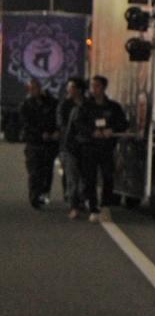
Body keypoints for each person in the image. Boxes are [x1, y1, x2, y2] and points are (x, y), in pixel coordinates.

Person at [81, 75, 128, 222]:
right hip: (89, 147)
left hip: (107, 148)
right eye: (92, 86)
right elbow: (79, 124)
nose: (94, 89)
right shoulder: (85, 106)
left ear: (103, 88)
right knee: (90, 178)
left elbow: (123, 124)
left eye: (97, 86)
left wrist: (111, 130)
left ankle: (106, 205)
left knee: (108, 176)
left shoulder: (113, 107)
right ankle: (93, 207)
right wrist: (91, 131)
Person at [20, 79, 59, 209]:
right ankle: (34, 197)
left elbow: (56, 118)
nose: (33, 90)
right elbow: (27, 125)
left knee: (47, 171)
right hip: (34, 143)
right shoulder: (26, 105)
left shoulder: (50, 102)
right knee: (34, 171)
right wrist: (40, 134)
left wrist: (54, 133)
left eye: (35, 88)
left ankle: (44, 192)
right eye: (31, 88)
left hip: (49, 144)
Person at [57, 77, 89, 219]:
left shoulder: (89, 105)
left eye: (71, 87)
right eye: (69, 87)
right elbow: (61, 124)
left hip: (86, 146)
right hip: (69, 146)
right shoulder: (65, 105)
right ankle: (73, 205)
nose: (68, 90)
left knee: (85, 177)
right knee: (71, 177)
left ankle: (81, 200)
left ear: (79, 90)